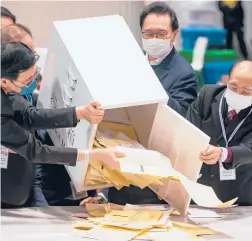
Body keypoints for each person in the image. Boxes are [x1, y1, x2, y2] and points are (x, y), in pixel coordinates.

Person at [81, 1, 198, 206]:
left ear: (174, 34)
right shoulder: (129, 62)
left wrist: (149, 85)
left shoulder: (183, 72)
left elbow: (182, 116)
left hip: (153, 164)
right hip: (120, 150)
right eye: (148, 33)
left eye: (161, 34)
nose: (154, 39)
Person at [1, 41, 122, 206]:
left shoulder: (9, 88)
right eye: (27, 80)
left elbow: (31, 115)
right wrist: (91, 155)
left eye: (35, 74)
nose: (33, 83)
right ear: (5, 82)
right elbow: (36, 150)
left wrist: (79, 112)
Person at [187, 61, 252, 205]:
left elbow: (249, 149)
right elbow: (189, 130)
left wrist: (223, 153)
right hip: (200, 189)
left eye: (247, 90)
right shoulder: (207, 95)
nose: (238, 93)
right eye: (233, 86)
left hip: (240, 194)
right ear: (226, 79)